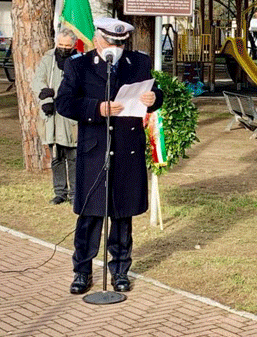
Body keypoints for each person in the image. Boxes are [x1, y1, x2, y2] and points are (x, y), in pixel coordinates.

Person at [56, 18, 163, 294]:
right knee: (90, 216)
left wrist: (154, 99)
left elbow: (154, 91)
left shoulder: (137, 63)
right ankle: (82, 271)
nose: (115, 47)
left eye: (120, 43)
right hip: (95, 151)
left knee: (122, 215)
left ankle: (120, 271)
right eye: (110, 42)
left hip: (127, 150)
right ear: (97, 39)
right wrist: (97, 108)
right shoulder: (78, 65)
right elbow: (64, 103)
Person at [32, 28, 78, 205]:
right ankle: (60, 192)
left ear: (74, 45)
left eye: (68, 46)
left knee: (73, 156)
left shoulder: (79, 60)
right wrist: (46, 98)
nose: (64, 48)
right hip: (52, 115)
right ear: (56, 42)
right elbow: (38, 81)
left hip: (70, 116)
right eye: (61, 45)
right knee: (56, 156)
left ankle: (75, 193)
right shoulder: (48, 59)